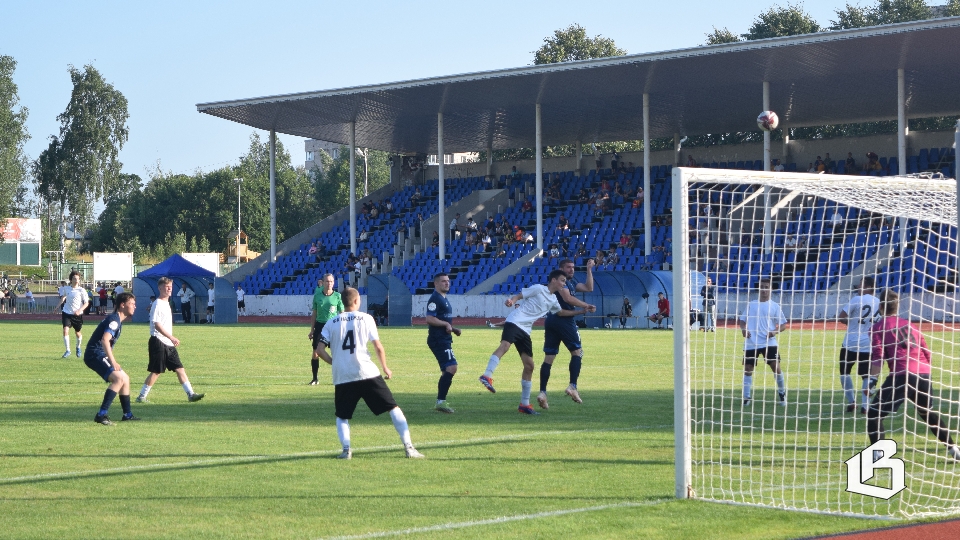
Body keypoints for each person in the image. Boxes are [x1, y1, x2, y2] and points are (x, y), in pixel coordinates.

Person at [316, 287, 424, 459]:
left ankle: (346, 450)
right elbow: (378, 347)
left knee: (342, 416)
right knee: (393, 408)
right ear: (356, 301)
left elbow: (319, 350)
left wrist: (334, 362)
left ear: (342, 302)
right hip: (367, 372)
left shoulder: (331, 322)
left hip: (343, 375)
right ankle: (409, 448)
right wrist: (385, 367)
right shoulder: (366, 318)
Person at [867, 289, 960, 460]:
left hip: (902, 374)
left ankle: (878, 455)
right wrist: (924, 373)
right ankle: (953, 448)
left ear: (880, 307)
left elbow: (878, 357)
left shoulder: (878, 327)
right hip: (923, 372)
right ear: (897, 306)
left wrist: (871, 381)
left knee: (874, 414)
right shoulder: (910, 325)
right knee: (927, 413)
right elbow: (926, 351)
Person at [479, 270, 586, 415]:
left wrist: (581, 311)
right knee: (505, 346)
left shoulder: (553, 299)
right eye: (562, 280)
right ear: (553, 280)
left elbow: (561, 313)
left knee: (529, 366)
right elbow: (520, 295)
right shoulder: (539, 288)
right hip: (515, 321)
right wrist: (512, 301)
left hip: (526, 330)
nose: (564, 284)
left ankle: (524, 405)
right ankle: (487, 375)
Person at [537, 259, 596, 409]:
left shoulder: (570, 283)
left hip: (551, 320)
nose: (571, 270)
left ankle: (542, 392)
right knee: (578, 352)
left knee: (549, 357)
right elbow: (567, 298)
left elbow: (589, 288)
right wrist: (586, 305)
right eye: (568, 267)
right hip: (564, 320)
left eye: (573, 267)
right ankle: (572, 386)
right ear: (561, 268)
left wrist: (589, 269)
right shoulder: (561, 284)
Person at [136, 277, 205, 403]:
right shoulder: (157, 304)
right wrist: (171, 337)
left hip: (168, 343)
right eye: (166, 287)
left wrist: (170, 339)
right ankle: (141, 396)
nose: (169, 289)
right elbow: (157, 324)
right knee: (156, 371)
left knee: (179, 368)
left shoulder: (166, 303)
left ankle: (191, 394)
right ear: (160, 288)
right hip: (158, 341)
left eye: (170, 287)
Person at [85, 292, 139, 425]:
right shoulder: (114, 320)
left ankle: (127, 414)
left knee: (125, 379)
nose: (134, 306)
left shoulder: (117, 320)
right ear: (122, 305)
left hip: (99, 353)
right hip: (94, 354)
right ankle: (101, 414)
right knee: (118, 379)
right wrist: (112, 361)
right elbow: (105, 340)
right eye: (132, 303)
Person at [738, 278, 787, 407]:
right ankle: (746, 397)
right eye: (762, 287)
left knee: (776, 367)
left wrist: (774, 332)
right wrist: (744, 329)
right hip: (751, 342)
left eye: (766, 287)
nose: (764, 290)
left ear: (770, 289)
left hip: (768, 342)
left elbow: (783, 325)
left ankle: (782, 393)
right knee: (748, 368)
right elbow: (742, 321)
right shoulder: (751, 304)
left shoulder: (774, 306)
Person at [837, 277, 881, 414]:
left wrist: (851, 322)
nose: (858, 288)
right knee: (866, 375)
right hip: (868, 343)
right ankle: (865, 406)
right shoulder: (879, 302)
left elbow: (841, 317)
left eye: (860, 285)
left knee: (844, 372)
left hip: (850, 342)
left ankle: (852, 402)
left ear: (867, 286)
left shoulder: (857, 299)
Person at [424, 273, 461, 413]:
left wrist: (453, 329)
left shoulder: (443, 298)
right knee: (452, 367)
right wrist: (446, 324)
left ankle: (441, 402)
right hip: (438, 339)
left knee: (447, 370)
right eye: (443, 281)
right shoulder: (435, 299)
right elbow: (429, 319)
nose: (447, 283)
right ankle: (440, 402)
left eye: (448, 281)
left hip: (444, 338)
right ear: (436, 284)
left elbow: (442, 319)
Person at [308, 273, 345, 385]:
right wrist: (312, 330)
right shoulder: (317, 296)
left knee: (337, 353)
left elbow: (342, 313)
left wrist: (343, 328)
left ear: (334, 283)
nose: (329, 283)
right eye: (327, 281)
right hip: (320, 326)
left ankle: (340, 378)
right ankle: (315, 379)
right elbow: (314, 313)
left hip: (333, 326)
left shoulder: (337, 296)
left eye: (331, 281)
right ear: (323, 283)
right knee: (315, 353)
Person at [60, 271, 89, 358]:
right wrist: (58, 306)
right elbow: (63, 297)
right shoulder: (66, 288)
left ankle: (78, 347)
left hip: (77, 315)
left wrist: (80, 310)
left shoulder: (82, 290)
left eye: (77, 279)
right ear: (71, 280)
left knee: (78, 333)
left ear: (79, 280)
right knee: (65, 330)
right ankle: (68, 350)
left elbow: (86, 303)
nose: (76, 280)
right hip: (66, 312)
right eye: (74, 278)